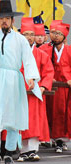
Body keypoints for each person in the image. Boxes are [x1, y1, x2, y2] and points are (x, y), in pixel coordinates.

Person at [0, 0, 40, 164]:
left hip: (14, 79)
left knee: (14, 115)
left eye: (7, 18)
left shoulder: (21, 40)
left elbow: (28, 59)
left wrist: (30, 76)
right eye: (1, 18)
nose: (4, 21)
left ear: (13, 20)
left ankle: (8, 151)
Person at [18, 18, 54, 162]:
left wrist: (44, 86)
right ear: (21, 35)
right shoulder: (15, 53)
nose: (29, 37)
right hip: (19, 92)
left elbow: (48, 72)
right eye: (26, 34)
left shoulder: (41, 55)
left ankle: (32, 150)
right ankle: (22, 150)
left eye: (32, 34)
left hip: (35, 93)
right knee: (20, 121)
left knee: (34, 121)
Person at [39, 20, 71, 153]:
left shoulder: (69, 50)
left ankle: (61, 140)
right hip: (49, 87)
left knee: (63, 113)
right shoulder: (43, 49)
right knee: (49, 112)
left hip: (65, 88)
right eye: (53, 32)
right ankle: (51, 138)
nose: (55, 36)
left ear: (64, 36)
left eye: (58, 33)